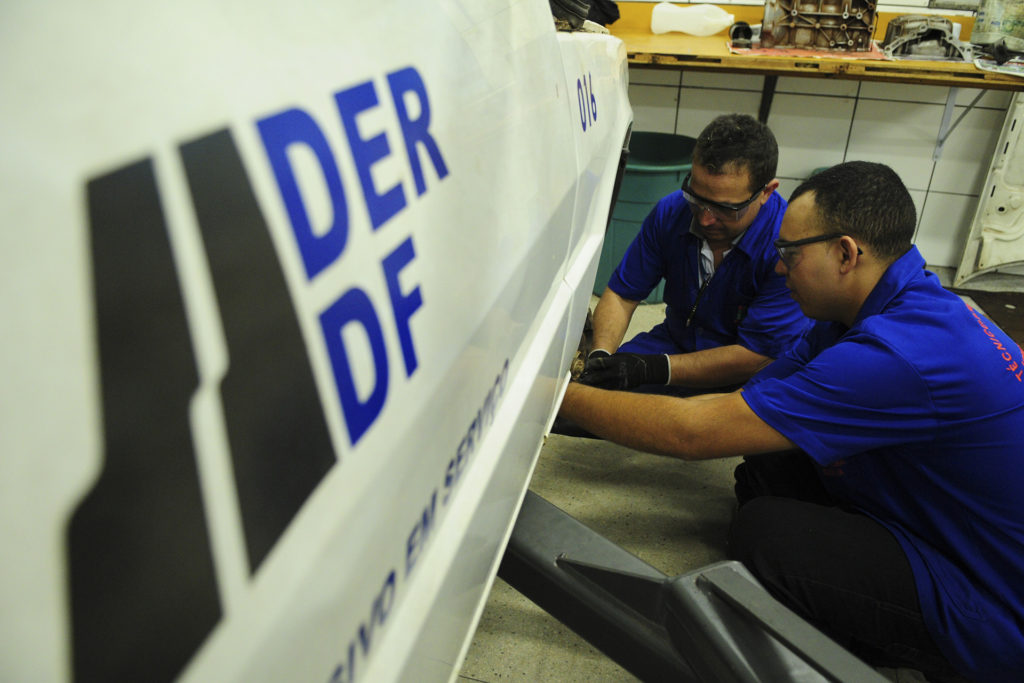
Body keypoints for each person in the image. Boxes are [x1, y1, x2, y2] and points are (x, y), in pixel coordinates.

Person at [559, 161, 1024, 682]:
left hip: (991, 598)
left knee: (770, 537)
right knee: (767, 457)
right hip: (942, 516)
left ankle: (882, 659)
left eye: (790, 254)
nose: (780, 269)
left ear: (846, 253)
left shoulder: (898, 353)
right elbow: (757, 396)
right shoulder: (874, 308)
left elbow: (694, 432)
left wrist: (555, 397)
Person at [581, 113, 809, 394]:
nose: (704, 219)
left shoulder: (786, 246)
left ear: (766, 192)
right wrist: (601, 354)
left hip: (750, 372)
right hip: (677, 346)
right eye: (696, 198)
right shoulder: (671, 211)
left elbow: (756, 354)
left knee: (704, 429)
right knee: (587, 396)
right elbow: (622, 294)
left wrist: (652, 369)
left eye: (726, 208)